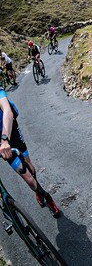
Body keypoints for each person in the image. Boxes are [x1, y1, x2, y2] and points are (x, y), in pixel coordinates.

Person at [0, 84, 60, 217]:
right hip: (1, 143)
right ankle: (46, 196)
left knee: (29, 166)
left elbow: (7, 111)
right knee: (29, 180)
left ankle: (38, 189)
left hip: (10, 131)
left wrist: (4, 139)